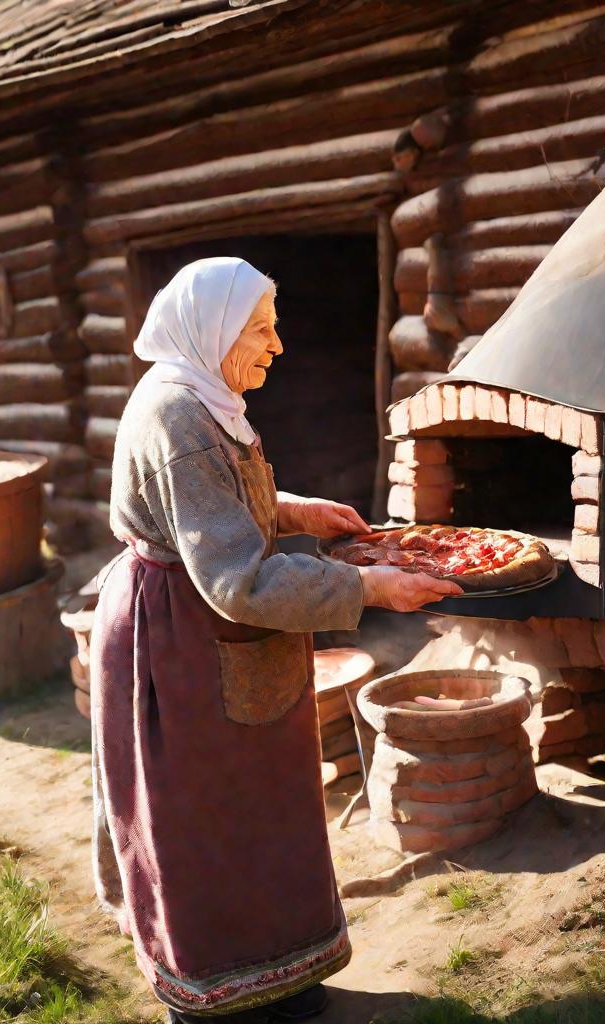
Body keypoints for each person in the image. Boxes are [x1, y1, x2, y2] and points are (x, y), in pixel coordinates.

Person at [89, 257, 461, 1022]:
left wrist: (294, 511)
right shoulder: (180, 418)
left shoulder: (198, 393)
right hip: (184, 642)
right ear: (213, 329)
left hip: (216, 634)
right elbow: (236, 580)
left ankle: (280, 979)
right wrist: (369, 587)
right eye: (260, 329)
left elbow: (210, 506)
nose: (277, 346)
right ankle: (218, 997)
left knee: (265, 809)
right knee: (206, 816)